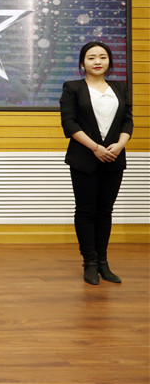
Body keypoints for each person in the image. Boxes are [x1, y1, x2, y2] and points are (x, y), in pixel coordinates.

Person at [60, 41, 132, 285]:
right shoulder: (72, 87)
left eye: (102, 57)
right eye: (91, 57)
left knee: (105, 211)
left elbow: (128, 120)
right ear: (83, 62)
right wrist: (95, 147)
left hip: (114, 158)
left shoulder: (120, 87)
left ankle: (103, 262)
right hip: (84, 159)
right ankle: (89, 262)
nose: (97, 61)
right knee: (86, 211)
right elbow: (69, 123)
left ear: (109, 61)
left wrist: (120, 145)